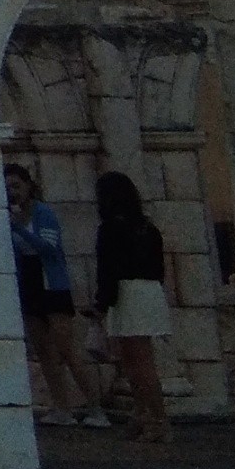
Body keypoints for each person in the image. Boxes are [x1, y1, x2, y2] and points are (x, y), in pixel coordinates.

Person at [5, 164, 104, 428]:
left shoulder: (43, 213)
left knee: (66, 349)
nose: (12, 192)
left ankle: (96, 406)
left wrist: (20, 229)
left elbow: (49, 248)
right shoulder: (8, 216)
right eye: (7, 187)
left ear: (28, 185)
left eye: (16, 186)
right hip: (30, 283)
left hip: (52, 284)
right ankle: (61, 407)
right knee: (43, 350)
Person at [92, 171, 175, 445]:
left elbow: (108, 271)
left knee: (138, 363)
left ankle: (157, 420)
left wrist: (101, 305)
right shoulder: (148, 229)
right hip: (149, 291)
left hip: (127, 293)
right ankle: (143, 415)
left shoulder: (110, 230)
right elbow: (159, 268)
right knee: (137, 361)